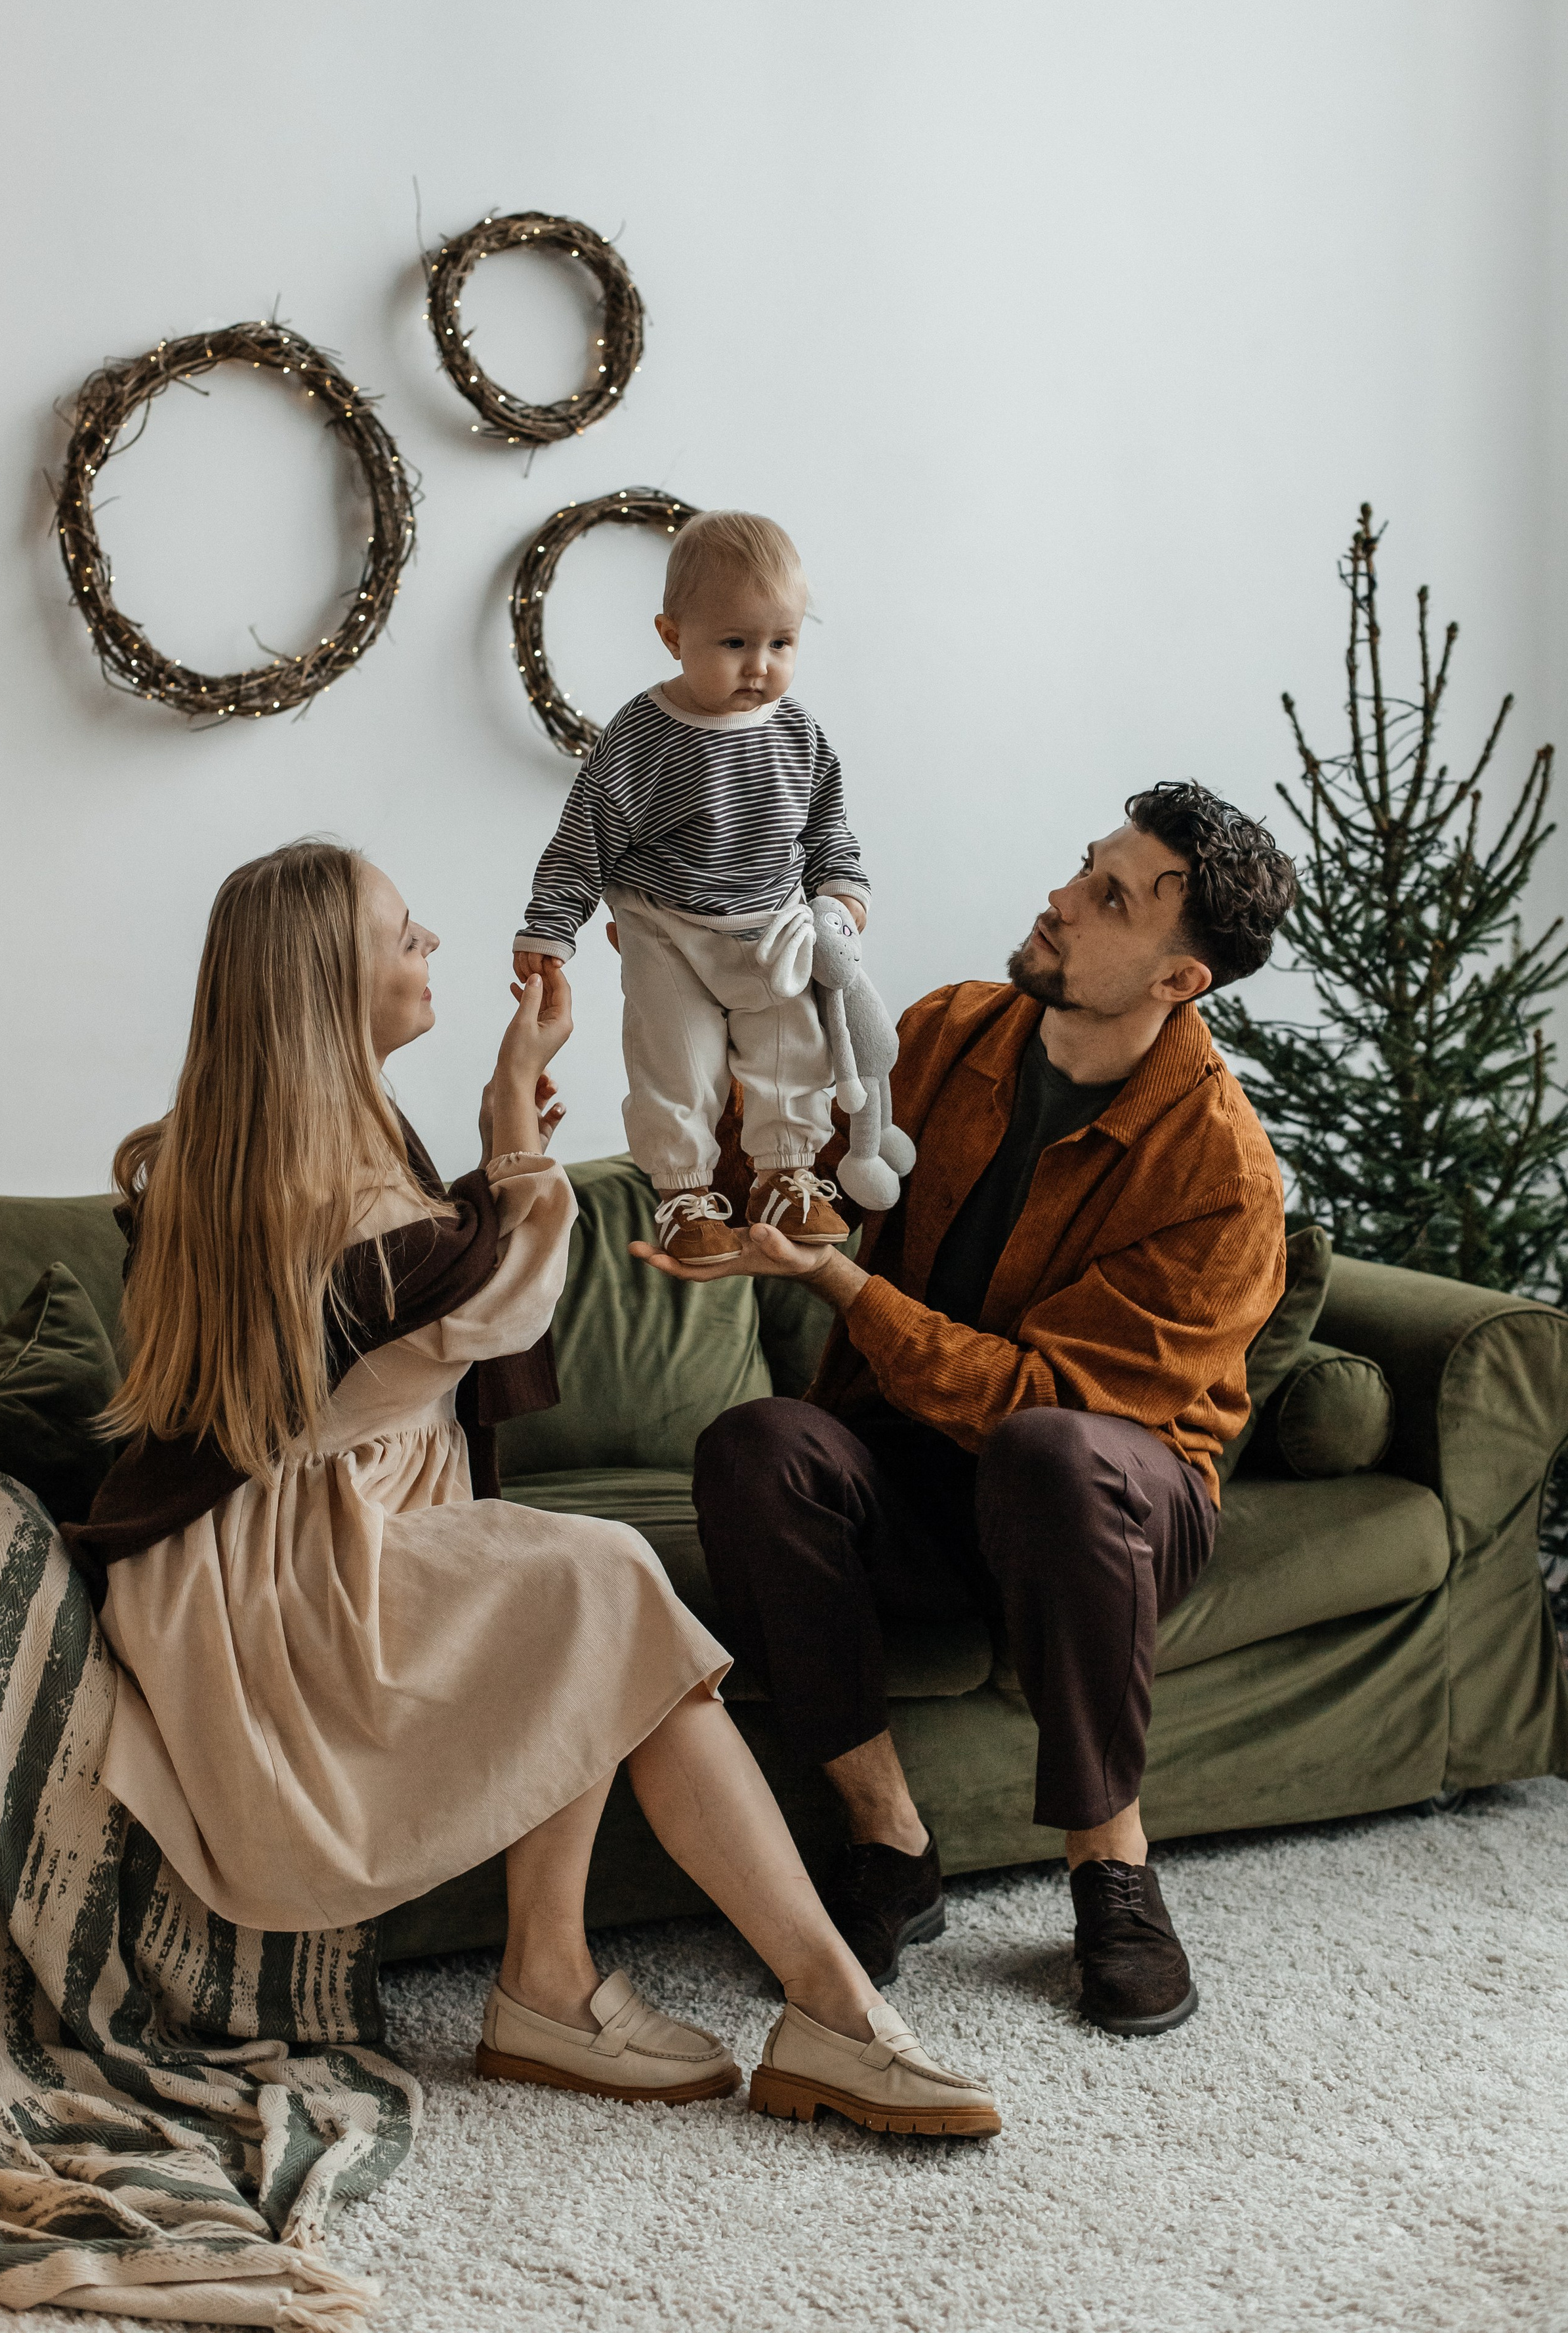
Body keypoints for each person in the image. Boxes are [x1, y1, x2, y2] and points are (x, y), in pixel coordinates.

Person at [66, 839, 998, 2136]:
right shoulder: (312, 1185)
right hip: (287, 1595)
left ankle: (606, 1988)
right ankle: (792, 2007)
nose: (431, 947)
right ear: (332, 983)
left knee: (575, 1593)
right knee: (599, 1572)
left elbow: (398, 1305)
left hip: (292, 1550)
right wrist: (515, 1138)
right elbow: (489, 1312)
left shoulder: (289, 1150)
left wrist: (497, 1155)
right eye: (403, 936)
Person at [637, 782, 1298, 2038]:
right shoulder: (947, 1035)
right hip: (919, 1468)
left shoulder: (1223, 1175)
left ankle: (1113, 1870)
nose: (1061, 900)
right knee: (756, 1445)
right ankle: (889, 1843)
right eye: (1083, 868)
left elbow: (1038, 1404)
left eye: (1109, 898)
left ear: (1180, 981)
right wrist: (715, 1009)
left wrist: (838, 1280)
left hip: (1112, 1503)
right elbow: (776, 1164)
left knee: (1051, 1454)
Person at [513, 511, 876, 1268]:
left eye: (782, 643)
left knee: (793, 1049)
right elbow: (585, 837)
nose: (760, 666)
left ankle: (786, 1176)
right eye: (734, 643)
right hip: (665, 930)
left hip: (773, 927)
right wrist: (550, 930)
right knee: (675, 1060)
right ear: (673, 637)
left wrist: (841, 894)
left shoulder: (799, 733)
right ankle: (683, 1190)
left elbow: (827, 829)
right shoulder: (643, 737)